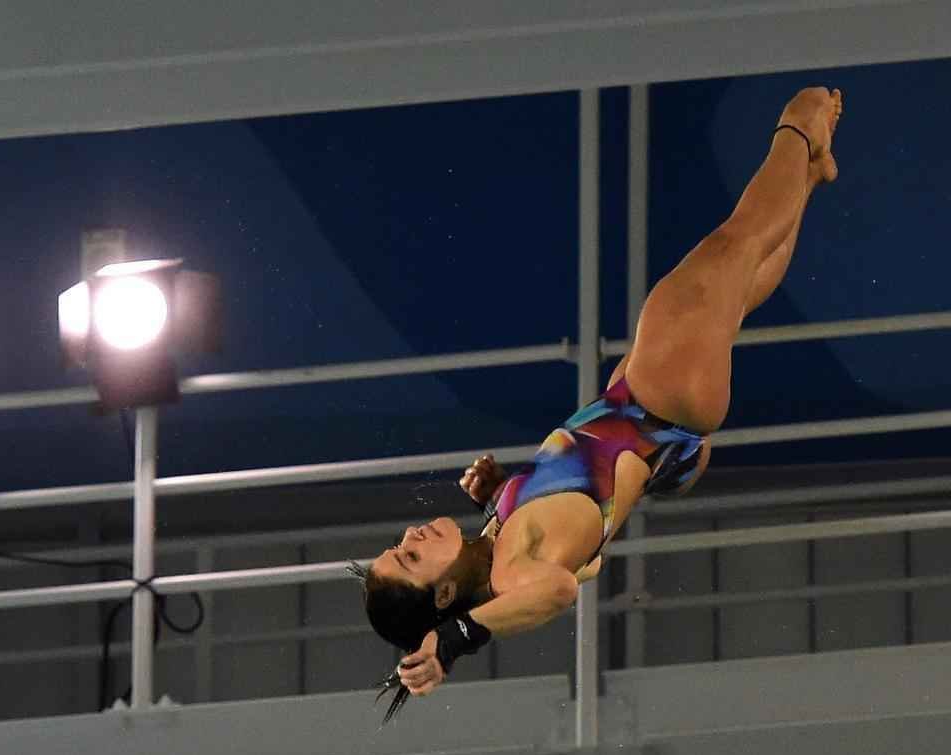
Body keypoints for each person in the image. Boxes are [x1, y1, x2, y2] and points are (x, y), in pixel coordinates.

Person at [349, 87, 843, 722]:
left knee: (736, 282)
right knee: (734, 245)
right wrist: (456, 638)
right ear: (445, 592)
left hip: (658, 429)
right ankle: (800, 127)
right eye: (411, 557)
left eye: (398, 543)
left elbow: (567, 531)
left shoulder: (496, 541)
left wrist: (499, 488)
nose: (411, 536)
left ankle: (807, 174)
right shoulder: (513, 575)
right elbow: (557, 588)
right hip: (659, 403)